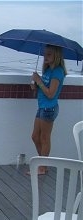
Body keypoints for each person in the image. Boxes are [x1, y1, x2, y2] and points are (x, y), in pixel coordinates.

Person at [30, 44, 67, 175]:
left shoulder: (57, 72)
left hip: (49, 109)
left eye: (49, 54)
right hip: (42, 107)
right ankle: (44, 164)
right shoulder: (48, 70)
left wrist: (38, 81)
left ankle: (42, 167)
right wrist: (36, 85)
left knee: (44, 138)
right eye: (45, 54)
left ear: (56, 56)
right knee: (35, 137)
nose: (45, 56)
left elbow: (51, 94)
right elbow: (43, 88)